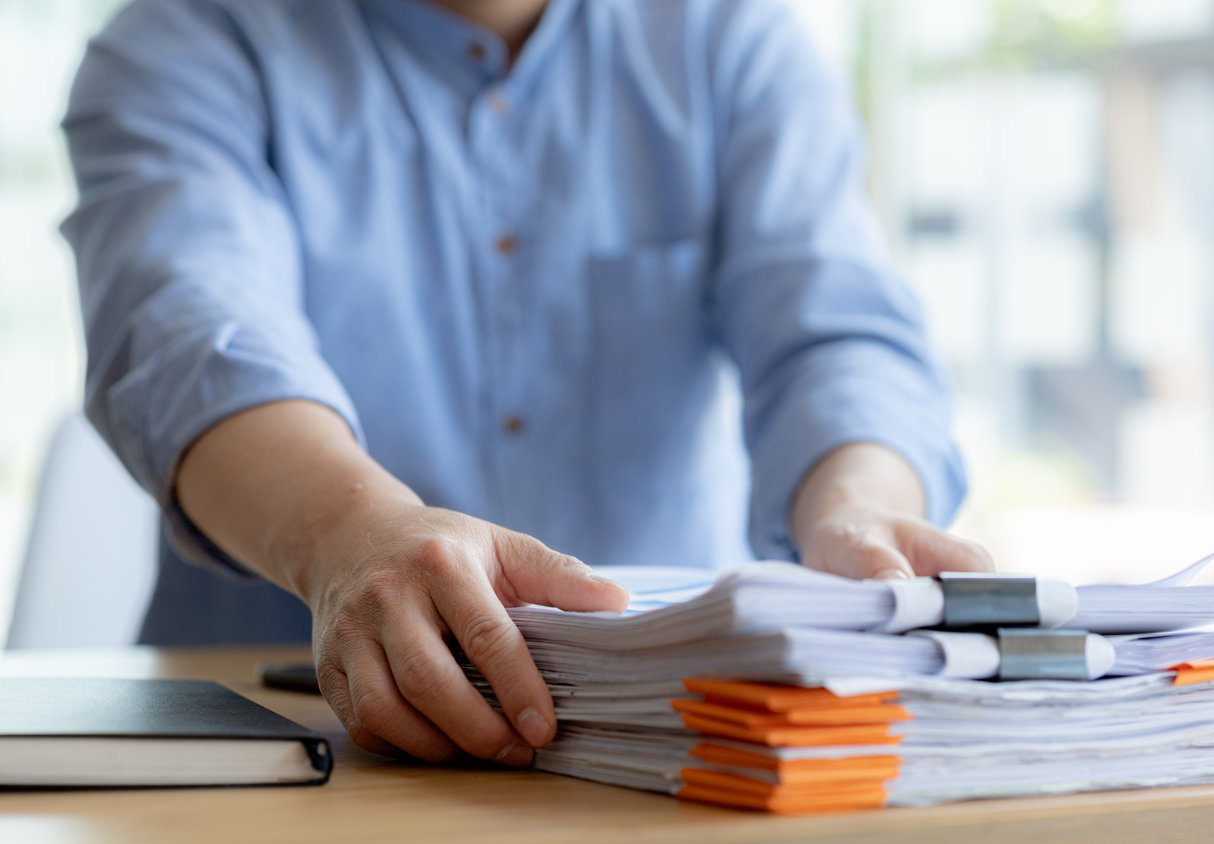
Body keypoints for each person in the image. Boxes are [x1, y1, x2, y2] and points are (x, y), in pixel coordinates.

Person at [62, 0, 992, 768]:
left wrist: (857, 509)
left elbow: (837, 332)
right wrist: (350, 540)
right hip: (292, 743)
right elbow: (188, 332)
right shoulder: (185, 38)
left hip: (677, 746)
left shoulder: (730, 37)